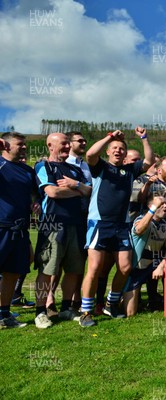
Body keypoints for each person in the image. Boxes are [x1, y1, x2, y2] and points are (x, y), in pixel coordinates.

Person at [79, 127, 153, 327]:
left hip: (122, 225)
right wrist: (110, 136)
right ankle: (85, 312)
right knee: (94, 267)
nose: (118, 151)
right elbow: (90, 154)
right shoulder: (100, 166)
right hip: (99, 223)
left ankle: (111, 303)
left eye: (122, 148)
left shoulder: (129, 170)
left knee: (126, 267)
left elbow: (148, 160)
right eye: (115, 148)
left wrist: (144, 138)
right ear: (109, 151)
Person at [33, 133, 92, 329]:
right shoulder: (44, 166)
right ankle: (40, 312)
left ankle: (66, 308)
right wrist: (78, 190)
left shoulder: (75, 169)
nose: (68, 146)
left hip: (76, 223)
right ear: (50, 145)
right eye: (63, 143)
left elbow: (89, 191)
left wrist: (78, 187)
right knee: (48, 269)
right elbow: (53, 192)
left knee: (74, 269)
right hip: (53, 223)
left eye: (69, 143)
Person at [0, 132, 39, 328]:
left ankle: (3, 315)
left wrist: (36, 203)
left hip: (21, 229)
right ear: (5, 146)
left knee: (12, 273)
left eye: (25, 144)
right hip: (1, 227)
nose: (24, 147)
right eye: (20, 144)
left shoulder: (27, 170)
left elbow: (35, 193)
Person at [123, 195, 166, 316]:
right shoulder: (141, 219)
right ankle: (119, 298)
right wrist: (152, 209)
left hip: (153, 266)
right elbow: (139, 230)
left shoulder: (165, 225)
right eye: (161, 204)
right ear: (151, 206)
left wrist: (161, 266)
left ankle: (161, 300)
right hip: (137, 268)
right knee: (130, 313)